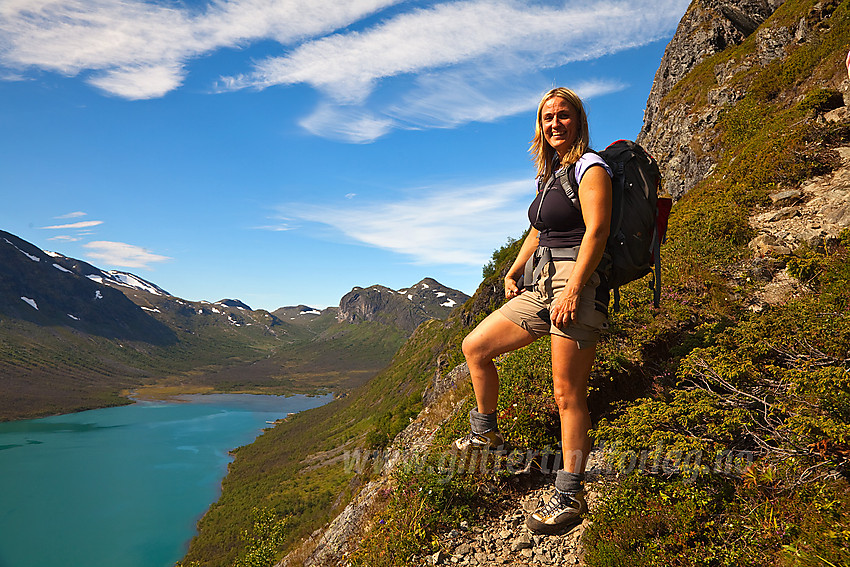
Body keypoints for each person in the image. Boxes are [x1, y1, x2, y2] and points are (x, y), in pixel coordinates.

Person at [454, 87, 613, 535]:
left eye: (563, 116)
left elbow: (597, 232)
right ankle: (486, 431)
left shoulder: (590, 167)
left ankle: (570, 492)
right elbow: (537, 230)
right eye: (548, 118)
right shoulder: (550, 173)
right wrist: (513, 270)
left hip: (576, 281)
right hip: (540, 282)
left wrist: (574, 290)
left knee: (567, 394)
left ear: (578, 121)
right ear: (540, 127)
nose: (555, 123)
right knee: (476, 347)